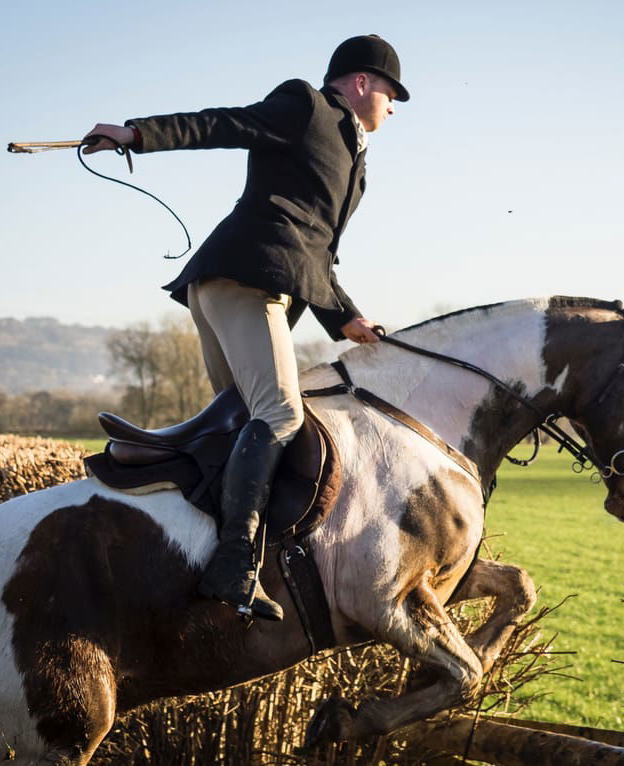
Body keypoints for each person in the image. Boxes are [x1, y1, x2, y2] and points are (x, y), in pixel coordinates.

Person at [83, 34, 409, 622]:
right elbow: (222, 124)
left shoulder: (354, 160)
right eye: (392, 92)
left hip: (240, 284)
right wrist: (135, 134)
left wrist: (347, 317)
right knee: (280, 415)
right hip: (245, 282)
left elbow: (314, 253)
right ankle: (235, 565)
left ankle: (183, 551)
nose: (394, 105)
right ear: (362, 83)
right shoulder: (306, 104)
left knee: (241, 419)